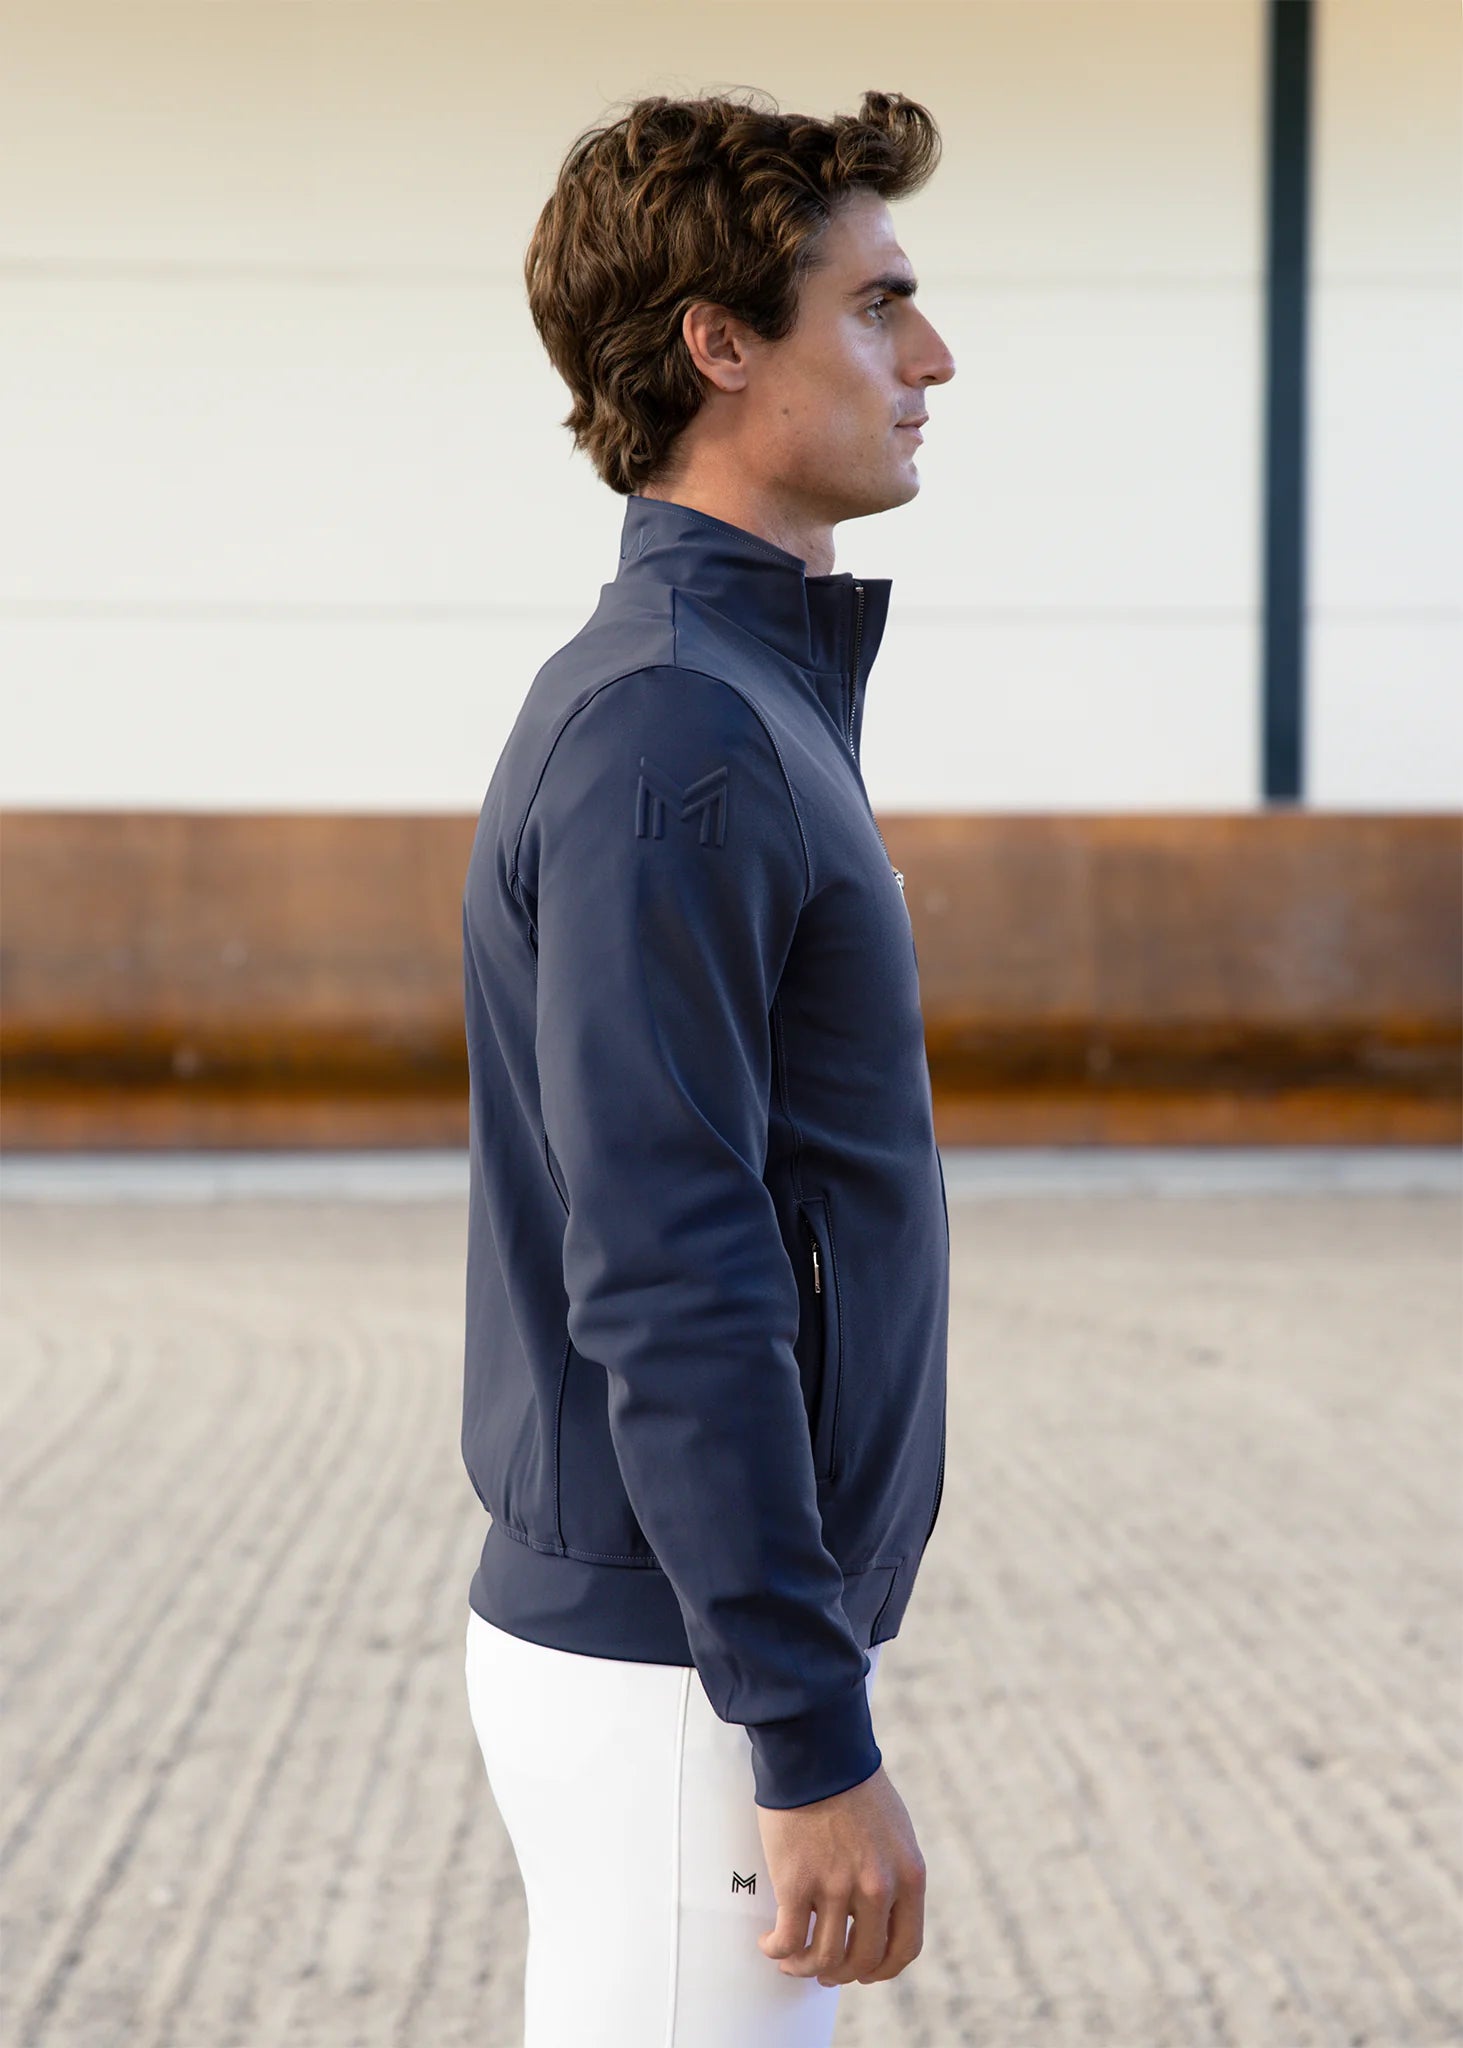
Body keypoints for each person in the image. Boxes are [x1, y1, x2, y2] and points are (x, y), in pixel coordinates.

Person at [459, 86, 956, 2047]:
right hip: (686, 1679)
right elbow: (673, 1256)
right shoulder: (675, 730)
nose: (932, 356)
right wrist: (804, 1729)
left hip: (690, 1660)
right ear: (719, 344)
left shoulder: (737, 693)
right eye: (878, 305)